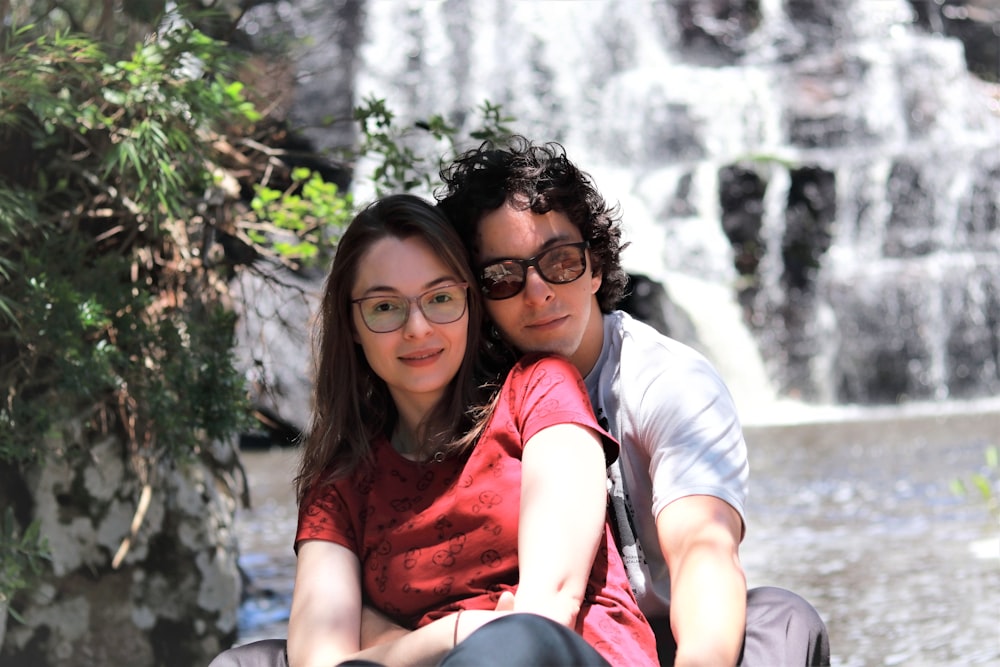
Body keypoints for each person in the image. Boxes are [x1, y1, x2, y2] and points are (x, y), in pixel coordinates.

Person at [429, 136, 832, 667]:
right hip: (526, 641)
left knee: (782, 619)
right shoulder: (455, 388)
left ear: (595, 267)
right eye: (503, 276)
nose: (538, 292)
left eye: (561, 261)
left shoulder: (667, 381)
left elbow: (701, 551)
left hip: (665, 639)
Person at [209, 193, 658, 667]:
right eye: (385, 308)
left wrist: (383, 638)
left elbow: (548, 607)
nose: (418, 329)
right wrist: (454, 632)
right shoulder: (341, 478)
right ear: (353, 324)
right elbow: (318, 657)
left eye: (440, 298)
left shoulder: (538, 389)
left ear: (470, 303)